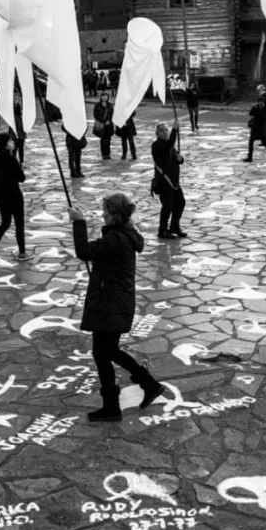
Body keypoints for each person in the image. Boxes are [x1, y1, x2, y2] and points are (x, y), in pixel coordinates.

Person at [68, 194, 164, 422]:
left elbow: (83, 250)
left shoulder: (117, 240)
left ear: (115, 215)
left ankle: (117, 403)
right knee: (106, 352)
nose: (103, 215)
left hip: (111, 304)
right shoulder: (122, 236)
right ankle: (143, 388)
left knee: (104, 352)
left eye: (106, 212)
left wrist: (79, 222)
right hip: (113, 301)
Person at [0, 132, 31, 263]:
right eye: (10, 141)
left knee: (5, 222)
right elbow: (21, 178)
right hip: (14, 195)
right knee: (19, 223)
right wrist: (20, 167)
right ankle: (22, 253)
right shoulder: (11, 159)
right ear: (5, 145)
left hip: (1, 196)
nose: (13, 142)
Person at [152, 118, 186, 239]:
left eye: (166, 130)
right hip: (164, 182)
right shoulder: (157, 145)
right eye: (162, 130)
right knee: (168, 206)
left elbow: (178, 158)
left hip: (174, 181)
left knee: (180, 203)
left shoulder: (170, 146)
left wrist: (180, 159)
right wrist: (175, 129)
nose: (165, 132)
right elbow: (169, 144)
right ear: (157, 133)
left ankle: (174, 226)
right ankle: (162, 231)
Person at [243, 84, 266, 164]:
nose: (258, 92)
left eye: (258, 91)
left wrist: (254, 110)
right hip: (263, 122)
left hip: (258, 124)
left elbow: (259, 109)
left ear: (260, 90)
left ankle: (250, 157)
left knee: (251, 141)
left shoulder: (262, 98)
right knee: (265, 143)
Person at [93, 92, 115, 160]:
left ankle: (108, 154)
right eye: (103, 96)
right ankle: (104, 154)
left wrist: (109, 120)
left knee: (108, 139)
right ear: (101, 97)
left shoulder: (109, 105)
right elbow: (96, 115)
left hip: (109, 125)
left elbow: (112, 113)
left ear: (108, 97)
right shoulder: (97, 105)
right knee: (103, 140)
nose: (104, 97)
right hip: (102, 124)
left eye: (106, 96)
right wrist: (104, 121)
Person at [9, 91, 28, 166]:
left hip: (14, 135)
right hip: (20, 135)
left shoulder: (13, 117)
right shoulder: (20, 118)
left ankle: (15, 161)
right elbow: (21, 126)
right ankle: (21, 161)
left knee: (15, 149)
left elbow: (10, 127)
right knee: (20, 149)